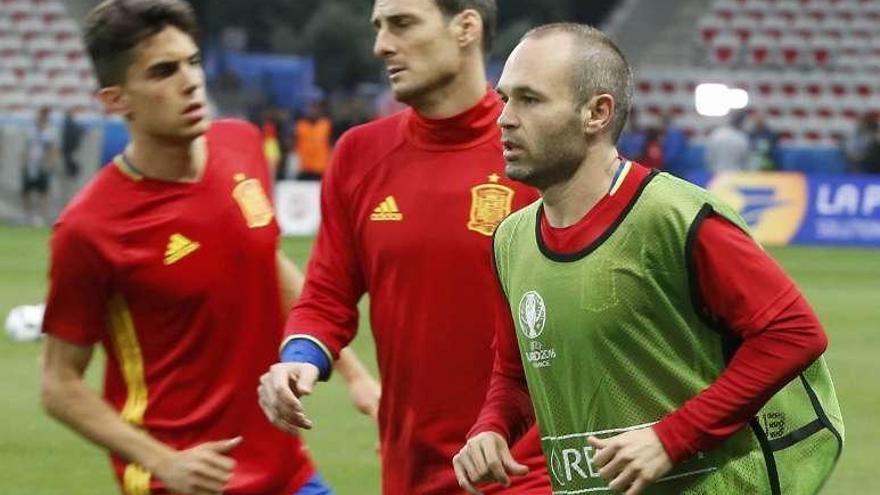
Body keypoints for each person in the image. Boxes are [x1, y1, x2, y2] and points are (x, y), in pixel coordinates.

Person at [454, 23, 843, 495]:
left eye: (530, 100)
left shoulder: (675, 217)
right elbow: (516, 374)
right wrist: (492, 427)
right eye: (504, 99)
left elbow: (793, 333)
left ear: (597, 113)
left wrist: (672, 438)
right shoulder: (510, 240)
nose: (505, 118)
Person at [40, 1, 376, 494]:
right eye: (163, 71)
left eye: (192, 62)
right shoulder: (90, 228)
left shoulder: (240, 144)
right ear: (115, 100)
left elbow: (266, 261)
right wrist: (162, 461)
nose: (189, 81)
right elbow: (59, 384)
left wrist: (355, 375)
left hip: (288, 471)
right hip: (183, 483)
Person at [257, 1, 550, 494]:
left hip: (526, 471)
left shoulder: (541, 152)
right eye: (378, 27)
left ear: (466, 27)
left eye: (402, 23)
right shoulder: (358, 155)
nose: (381, 44)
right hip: (411, 471)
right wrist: (300, 357)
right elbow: (327, 295)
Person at [21, 106, 58, 226]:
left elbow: (52, 148)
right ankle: (27, 215)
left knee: (43, 192)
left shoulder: (50, 131)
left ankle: (40, 216)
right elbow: (26, 146)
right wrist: (24, 161)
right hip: (31, 163)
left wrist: (51, 163)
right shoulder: (30, 129)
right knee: (26, 191)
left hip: (43, 164)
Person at [294, 101, 332, 180]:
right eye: (311, 108)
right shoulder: (300, 125)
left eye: (316, 108)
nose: (313, 111)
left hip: (321, 168)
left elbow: (332, 144)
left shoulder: (327, 125)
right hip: (304, 167)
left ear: (321, 110)